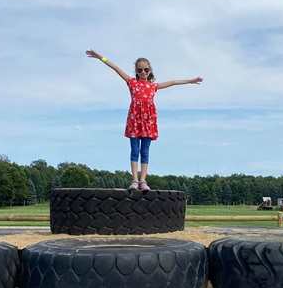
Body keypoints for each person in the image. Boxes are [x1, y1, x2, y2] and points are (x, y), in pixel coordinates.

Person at [86, 49, 202, 190]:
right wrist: (100, 58)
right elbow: (116, 68)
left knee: (145, 151)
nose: (143, 73)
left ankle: (143, 180)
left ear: (150, 71)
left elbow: (173, 82)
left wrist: (191, 81)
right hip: (135, 120)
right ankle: (134, 180)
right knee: (135, 150)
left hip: (148, 121)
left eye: (146, 70)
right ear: (136, 71)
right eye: (140, 70)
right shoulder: (132, 83)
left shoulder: (153, 86)